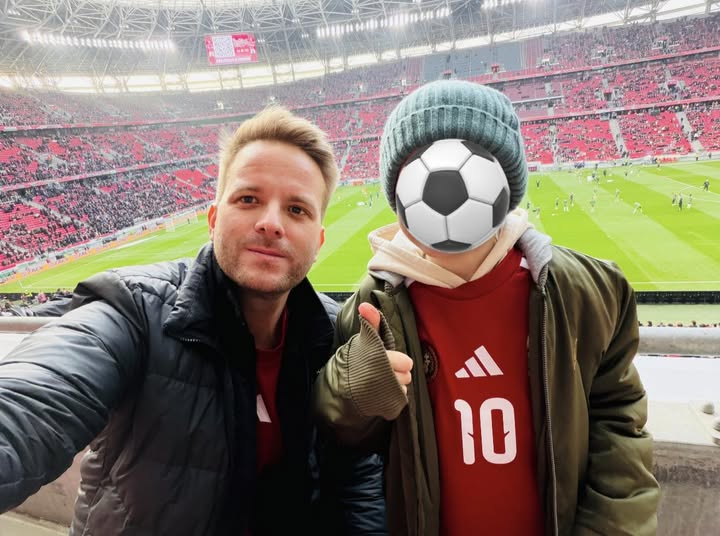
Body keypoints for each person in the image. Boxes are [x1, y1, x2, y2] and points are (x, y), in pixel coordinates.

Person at [0, 107, 386, 535]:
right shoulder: (134, 311)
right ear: (213, 219)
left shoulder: (334, 336)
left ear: (318, 241)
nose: (271, 223)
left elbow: (354, 475)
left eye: (297, 209)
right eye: (248, 199)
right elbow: (35, 400)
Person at [313, 80, 659, 535]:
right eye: (420, 165)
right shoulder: (372, 307)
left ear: (506, 184)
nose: (442, 185)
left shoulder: (585, 292)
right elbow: (345, 442)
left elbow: (619, 423)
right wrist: (355, 389)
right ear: (398, 195)